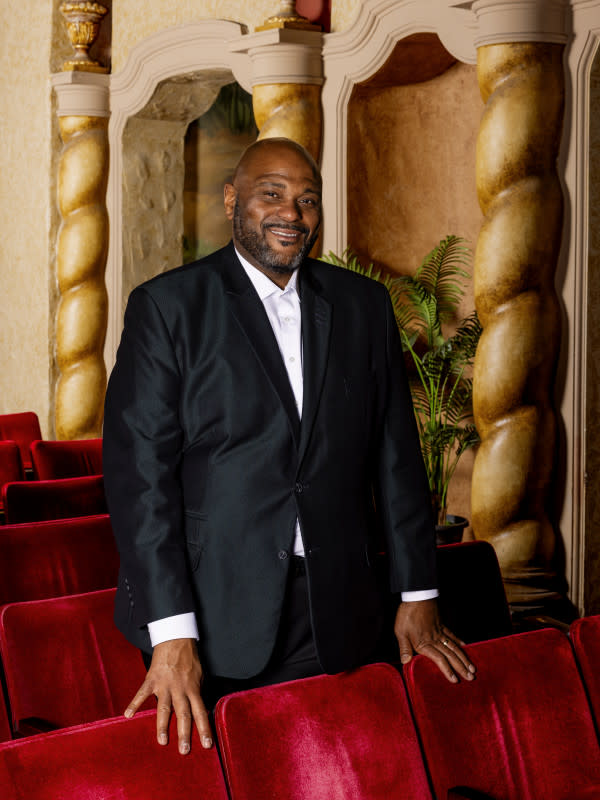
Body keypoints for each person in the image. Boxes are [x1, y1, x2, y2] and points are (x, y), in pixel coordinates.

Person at [103, 137, 475, 756]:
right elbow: (140, 481)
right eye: (270, 194)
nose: (291, 213)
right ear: (232, 200)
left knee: (334, 772)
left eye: (306, 199)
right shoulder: (167, 307)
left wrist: (418, 594)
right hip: (212, 610)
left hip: (337, 604)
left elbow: (396, 456)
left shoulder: (363, 306)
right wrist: (171, 635)